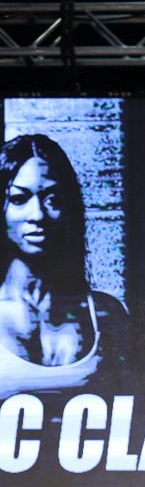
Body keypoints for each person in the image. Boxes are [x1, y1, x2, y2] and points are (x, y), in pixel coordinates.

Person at [0, 132, 128, 400]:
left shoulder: (105, 313)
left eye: (53, 199)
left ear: (69, 209)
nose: (37, 215)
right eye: (19, 199)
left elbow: (138, 407)